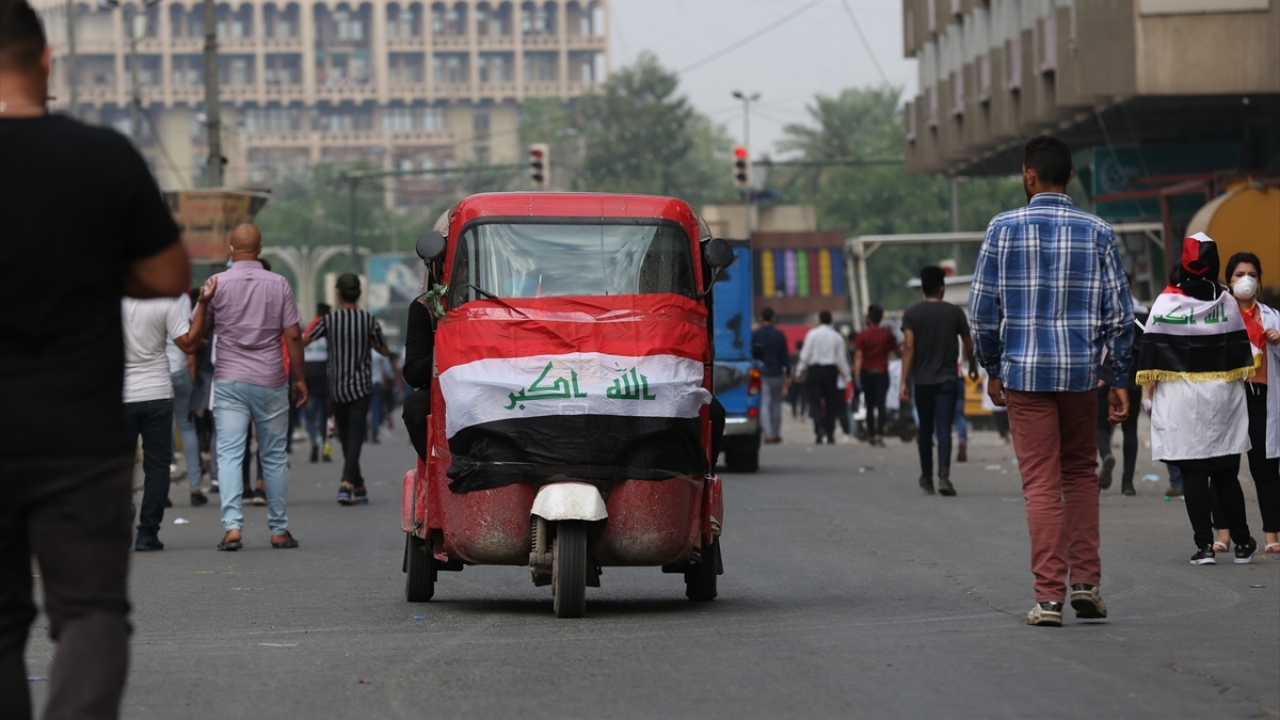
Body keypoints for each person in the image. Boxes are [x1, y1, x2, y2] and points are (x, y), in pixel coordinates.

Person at [0, 1, 191, 714]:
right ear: (45, 62)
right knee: (90, 613)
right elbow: (168, 275)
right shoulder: (101, 156)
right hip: (78, 436)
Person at [969, 135, 1134, 628]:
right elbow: (1121, 316)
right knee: (1080, 472)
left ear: (1029, 175)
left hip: (1023, 374)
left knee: (1040, 481)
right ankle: (1085, 583)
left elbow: (981, 311)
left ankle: (1048, 599)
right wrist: (1120, 375)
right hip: (1081, 376)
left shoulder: (1002, 229)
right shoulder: (1099, 230)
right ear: (1070, 177)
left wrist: (992, 368)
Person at [1136, 234, 1257, 566]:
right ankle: (1244, 543)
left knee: (1192, 471)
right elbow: (1240, 354)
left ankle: (1204, 546)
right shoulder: (1227, 301)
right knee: (1224, 473)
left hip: (1181, 398)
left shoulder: (1166, 302)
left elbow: (1151, 353)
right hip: (1223, 399)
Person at [205, 224, 307, 551]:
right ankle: (278, 529)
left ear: (230, 250)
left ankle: (233, 527)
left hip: (230, 380)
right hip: (270, 379)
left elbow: (201, 326)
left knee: (230, 453)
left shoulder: (216, 283)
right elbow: (292, 335)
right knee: (274, 455)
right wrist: (300, 378)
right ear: (260, 250)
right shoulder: (278, 283)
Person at [124, 286, 215, 551]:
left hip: (120, 396)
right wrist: (203, 305)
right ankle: (147, 534)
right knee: (157, 467)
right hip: (157, 394)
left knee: (119, 468)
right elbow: (188, 343)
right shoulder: (164, 302)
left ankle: (123, 511)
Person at [304, 273, 390, 505]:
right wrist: (369, 342)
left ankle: (347, 483)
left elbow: (304, 340)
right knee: (355, 435)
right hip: (362, 387)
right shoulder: (368, 320)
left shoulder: (329, 321)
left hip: (337, 388)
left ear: (338, 294)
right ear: (359, 294)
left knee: (346, 436)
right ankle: (356, 484)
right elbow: (383, 349)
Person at [1216, 252, 1280, 555]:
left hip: (1260, 397)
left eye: (1251, 274)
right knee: (1222, 466)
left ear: (1259, 279)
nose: (1246, 280)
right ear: (1229, 280)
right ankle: (1224, 533)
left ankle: (1271, 535)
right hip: (1229, 398)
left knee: (1265, 469)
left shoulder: (1271, 317)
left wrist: (1277, 342)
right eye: (1239, 274)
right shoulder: (1219, 314)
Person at [900, 266, 978, 497]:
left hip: (922, 381)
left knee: (925, 429)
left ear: (923, 288)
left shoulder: (912, 313)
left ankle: (926, 477)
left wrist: (904, 380)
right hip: (947, 380)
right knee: (944, 426)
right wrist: (972, 367)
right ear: (942, 288)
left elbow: (909, 347)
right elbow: (969, 344)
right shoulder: (954, 313)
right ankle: (944, 475)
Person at [795, 310, 851, 445]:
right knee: (831, 402)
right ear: (830, 320)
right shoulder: (837, 336)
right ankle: (830, 433)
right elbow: (841, 359)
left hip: (815, 371)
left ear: (819, 320)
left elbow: (805, 355)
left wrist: (799, 371)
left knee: (814, 401)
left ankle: (819, 426)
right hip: (831, 371)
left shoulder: (812, 334)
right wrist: (847, 376)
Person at [852, 305, 897, 448]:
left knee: (869, 405)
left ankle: (871, 434)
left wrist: (857, 376)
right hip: (882, 373)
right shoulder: (887, 335)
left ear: (868, 318)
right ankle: (880, 435)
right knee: (881, 404)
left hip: (867, 374)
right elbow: (897, 351)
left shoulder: (862, 335)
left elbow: (859, 356)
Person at [752, 307, 790, 444]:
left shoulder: (756, 335)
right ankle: (776, 432)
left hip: (762, 373)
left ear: (762, 317)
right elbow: (785, 356)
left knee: (765, 403)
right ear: (773, 317)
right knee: (776, 404)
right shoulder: (780, 335)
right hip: (777, 373)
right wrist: (788, 374)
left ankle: (768, 434)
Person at [303, 303, 333, 463]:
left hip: (308, 378)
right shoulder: (329, 332)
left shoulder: (307, 330)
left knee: (309, 415)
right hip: (325, 379)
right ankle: (324, 446)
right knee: (325, 416)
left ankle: (313, 440)